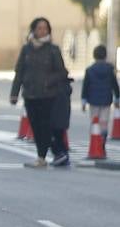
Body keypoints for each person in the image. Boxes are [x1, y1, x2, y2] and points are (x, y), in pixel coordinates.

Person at [11, 16, 72, 168]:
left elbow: (62, 72)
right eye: (39, 28)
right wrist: (14, 93)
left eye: (45, 28)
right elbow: (19, 72)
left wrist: (48, 81)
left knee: (46, 126)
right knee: (36, 127)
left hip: (48, 95)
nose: (42, 30)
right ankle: (42, 156)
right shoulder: (26, 49)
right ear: (33, 30)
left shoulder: (53, 50)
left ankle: (44, 156)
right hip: (30, 94)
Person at [81, 44, 120, 155]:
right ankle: (102, 140)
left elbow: (85, 86)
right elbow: (114, 85)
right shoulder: (109, 69)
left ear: (94, 56)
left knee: (95, 121)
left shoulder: (89, 70)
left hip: (93, 101)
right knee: (104, 122)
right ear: (105, 55)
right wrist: (117, 98)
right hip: (106, 100)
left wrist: (84, 101)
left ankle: (95, 140)